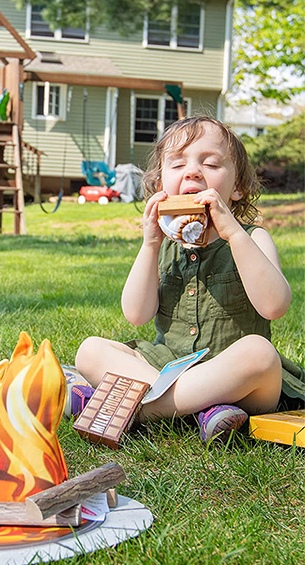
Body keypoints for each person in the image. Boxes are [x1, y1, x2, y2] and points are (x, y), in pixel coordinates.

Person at [70, 116, 304, 442]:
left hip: (235, 377)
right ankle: (201, 411)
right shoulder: (162, 246)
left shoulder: (252, 238)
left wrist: (233, 233)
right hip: (168, 367)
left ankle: (129, 406)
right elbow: (136, 314)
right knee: (90, 350)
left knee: (261, 354)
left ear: (237, 188)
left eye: (209, 163)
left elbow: (274, 306)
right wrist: (150, 245)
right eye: (178, 164)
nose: (192, 171)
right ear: (159, 186)